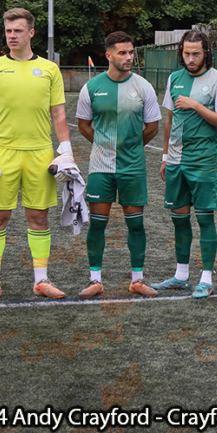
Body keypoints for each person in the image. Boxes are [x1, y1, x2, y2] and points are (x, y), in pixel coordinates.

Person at [0, 8, 74, 302]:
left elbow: (58, 114)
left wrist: (65, 150)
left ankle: (41, 280)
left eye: (17, 30)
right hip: (1, 153)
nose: (12, 36)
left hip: (40, 154)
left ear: (31, 32)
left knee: (38, 217)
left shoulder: (50, 69)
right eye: (8, 31)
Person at [76, 32, 161, 299]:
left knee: (136, 225)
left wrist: (131, 148)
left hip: (132, 168)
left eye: (130, 52)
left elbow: (152, 127)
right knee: (98, 224)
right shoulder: (91, 87)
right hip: (100, 168)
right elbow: (83, 125)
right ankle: (95, 280)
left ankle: (137, 280)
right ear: (109, 55)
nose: (128, 57)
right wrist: (104, 145)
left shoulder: (143, 87)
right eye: (122, 53)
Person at [153, 30, 217, 299]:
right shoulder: (174, 78)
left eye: (196, 53)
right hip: (176, 160)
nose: (190, 58)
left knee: (205, 219)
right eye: (186, 52)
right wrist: (165, 156)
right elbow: (169, 121)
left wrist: (196, 105)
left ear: (206, 52)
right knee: (179, 220)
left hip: (203, 160)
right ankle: (181, 276)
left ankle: (206, 279)